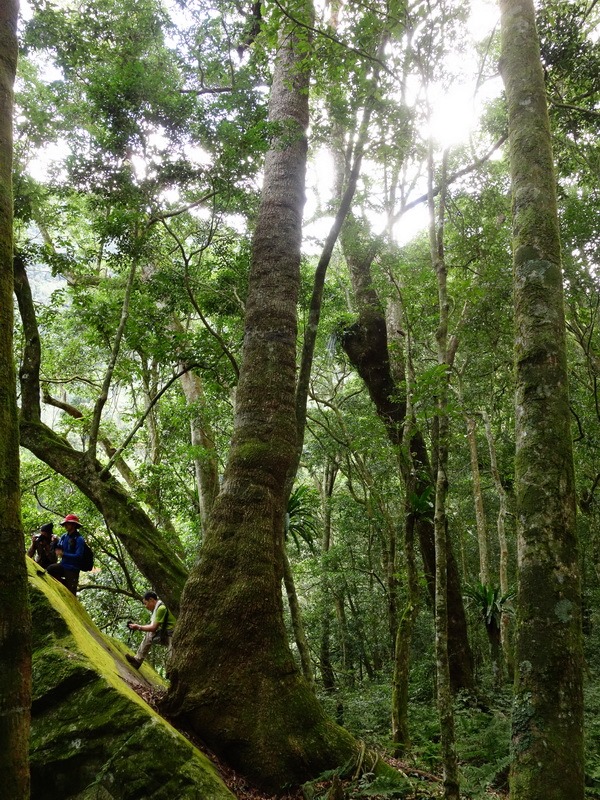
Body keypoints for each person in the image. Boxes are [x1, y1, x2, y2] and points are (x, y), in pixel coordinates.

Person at [126, 591, 176, 669]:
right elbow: (151, 627)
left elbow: (153, 628)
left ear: (151, 600)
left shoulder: (161, 608)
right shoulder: (157, 608)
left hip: (174, 636)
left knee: (172, 656)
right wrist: (137, 626)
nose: (145, 606)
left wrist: (138, 627)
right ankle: (137, 660)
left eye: (145, 603)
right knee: (150, 634)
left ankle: (171, 673)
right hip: (167, 633)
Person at [46, 514, 85, 595]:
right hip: (63, 565)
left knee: (71, 594)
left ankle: (68, 587)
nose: (66, 526)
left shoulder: (79, 539)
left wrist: (64, 554)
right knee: (50, 569)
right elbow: (59, 547)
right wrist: (55, 542)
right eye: (65, 524)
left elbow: (78, 556)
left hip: (73, 569)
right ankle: (64, 585)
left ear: (74, 525)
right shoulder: (64, 536)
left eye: (68, 523)